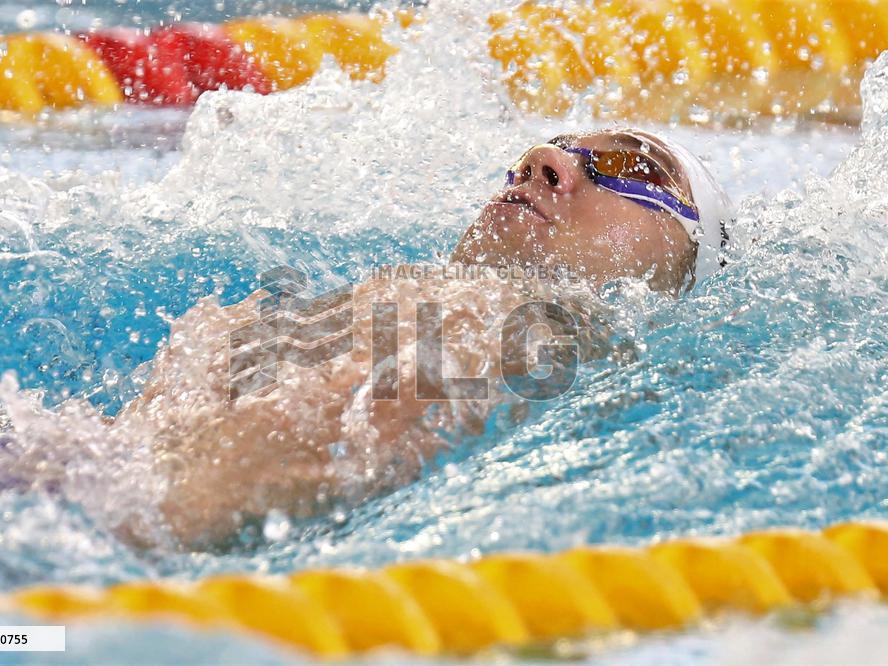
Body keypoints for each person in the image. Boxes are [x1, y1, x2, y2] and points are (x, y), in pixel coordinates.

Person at [105, 128, 733, 550]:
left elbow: (185, 498)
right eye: (545, 153)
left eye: (631, 167)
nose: (543, 160)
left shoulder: (524, 320)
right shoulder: (420, 299)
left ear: (683, 273)